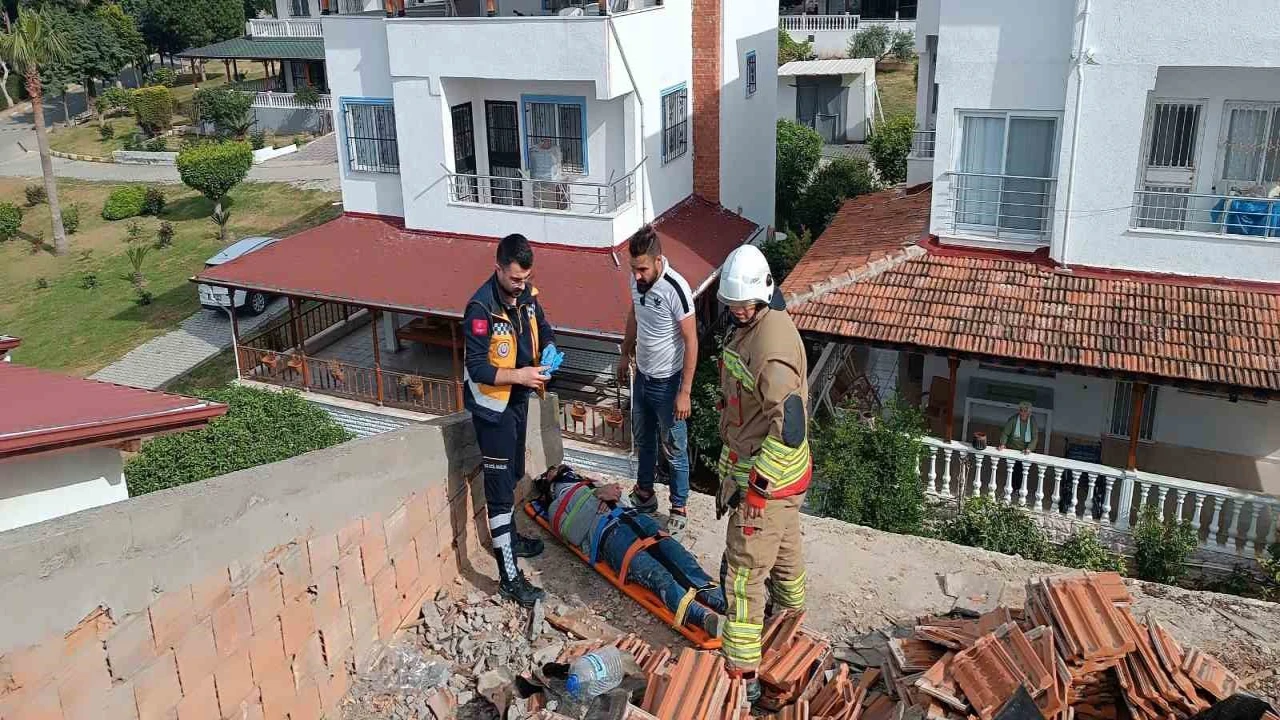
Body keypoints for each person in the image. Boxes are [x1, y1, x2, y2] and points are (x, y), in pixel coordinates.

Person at [712, 244, 811, 701]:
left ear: (760, 296)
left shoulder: (770, 349)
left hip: (766, 480)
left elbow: (789, 428)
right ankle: (791, 632)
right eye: (731, 305)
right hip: (785, 483)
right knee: (785, 559)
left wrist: (757, 489)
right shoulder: (760, 319)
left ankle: (742, 675)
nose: (735, 312)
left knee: (743, 572)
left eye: (740, 305)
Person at [463, 234, 557, 607]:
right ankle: (508, 577)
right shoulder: (480, 309)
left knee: (515, 473)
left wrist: (549, 347)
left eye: (526, 278)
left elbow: (544, 328)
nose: (521, 286)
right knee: (500, 493)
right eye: (515, 279)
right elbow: (478, 367)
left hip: (518, 404)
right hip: (493, 410)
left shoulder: (528, 296)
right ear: (498, 268)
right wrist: (521, 375)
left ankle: (511, 539)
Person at [532, 465, 726, 637]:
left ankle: (722, 602)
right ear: (548, 484)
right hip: (610, 536)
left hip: (636, 518)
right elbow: (572, 534)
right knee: (657, 574)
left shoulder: (592, 482)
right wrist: (595, 497)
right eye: (551, 471)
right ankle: (702, 617)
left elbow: (623, 498)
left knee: (681, 560)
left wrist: (607, 493)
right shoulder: (557, 505)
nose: (556, 469)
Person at [618, 225, 698, 536]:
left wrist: (685, 392)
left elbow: (691, 340)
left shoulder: (676, 288)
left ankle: (679, 506)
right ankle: (645, 494)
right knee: (644, 439)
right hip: (642, 378)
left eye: (642, 269)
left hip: (669, 383)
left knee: (675, 447)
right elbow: (634, 315)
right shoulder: (635, 281)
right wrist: (625, 354)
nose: (637, 275)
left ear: (658, 260)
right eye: (633, 269)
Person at [998, 401, 1038, 495]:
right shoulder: (1013, 420)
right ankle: (1011, 488)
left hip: (1025, 451)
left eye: (1025, 411)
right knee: (1013, 469)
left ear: (1029, 413)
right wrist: (1003, 444)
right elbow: (1005, 433)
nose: (1023, 413)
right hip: (1013, 448)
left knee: (1022, 470)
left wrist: (1029, 448)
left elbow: (1035, 437)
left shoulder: (1032, 422)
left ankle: (1019, 488)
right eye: (1021, 410)